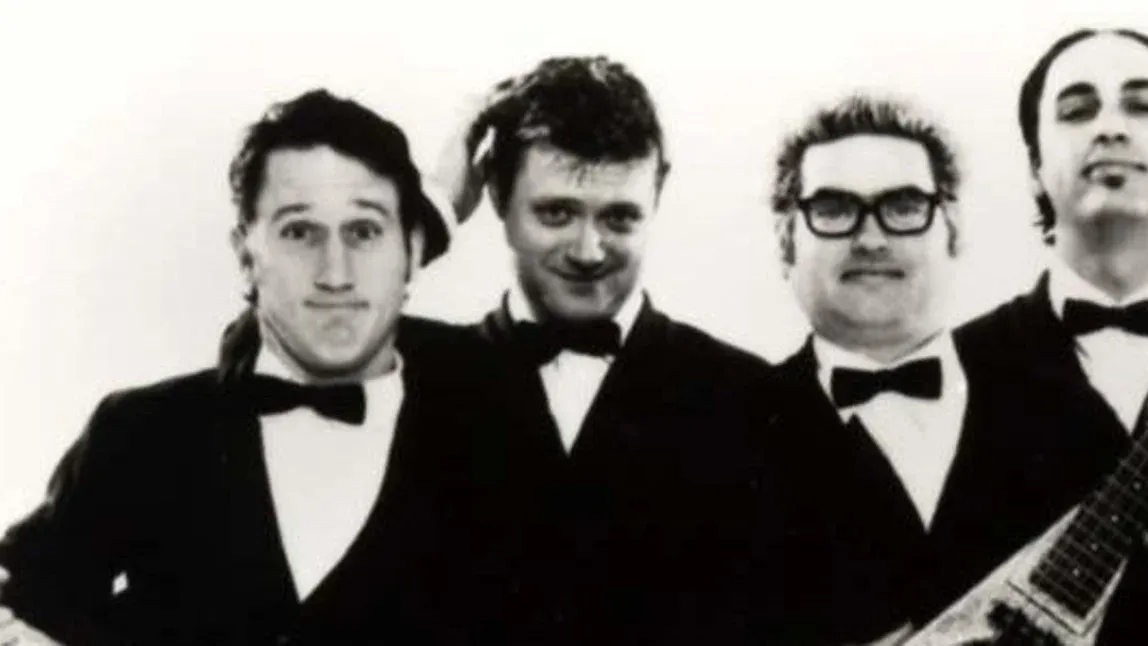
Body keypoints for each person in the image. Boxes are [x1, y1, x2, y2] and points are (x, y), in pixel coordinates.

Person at [0, 88, 512, 645]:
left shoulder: (489, 427)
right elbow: (17, 603)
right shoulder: (142, 431)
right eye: (298, 233)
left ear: (412, 250)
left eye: (364, 232)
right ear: (246, 257)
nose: (335, 274)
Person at [448, 55, 780, 644]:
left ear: (658, 196)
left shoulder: (751, 397)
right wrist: (436, 208)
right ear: (496, 195)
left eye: (620, 218)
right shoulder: (418, 374)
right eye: (556, 213)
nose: (588, 250)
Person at [754, 92, 1095, 644]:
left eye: (905, 206)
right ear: (785, 243)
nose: (871, 239)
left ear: (953, 231)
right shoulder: (720, 433)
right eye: (834, 209)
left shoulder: (1072, 410)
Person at [952, 27, 1148, 645]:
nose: (1111, 128)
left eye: (1143, 105)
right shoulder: (952, 369)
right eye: (1077, 110)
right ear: (1035, 169)